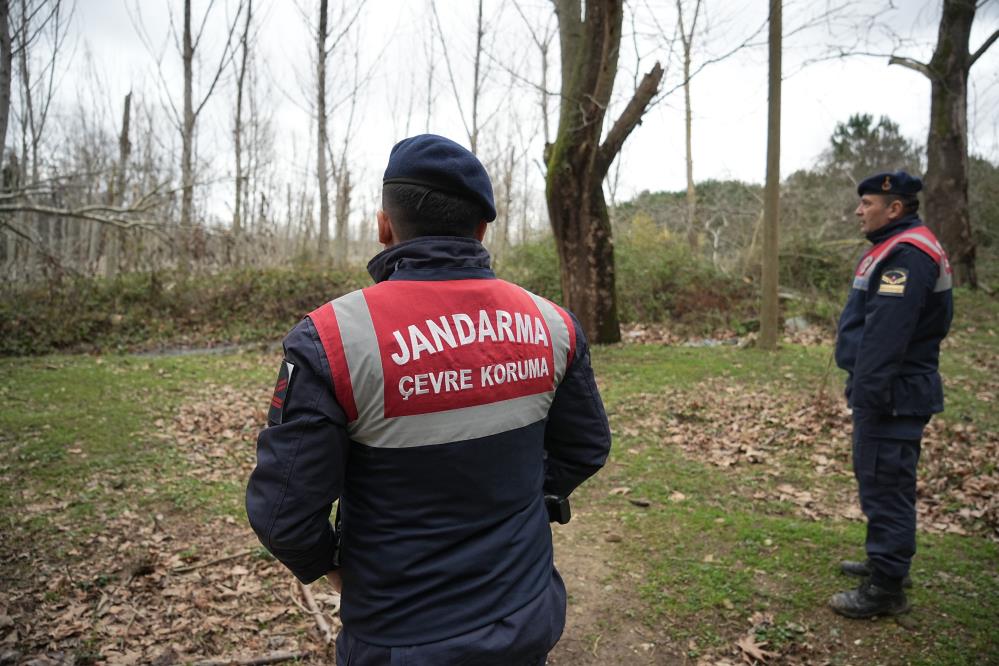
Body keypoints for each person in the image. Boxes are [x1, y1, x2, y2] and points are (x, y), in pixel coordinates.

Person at [246, 134, 612, 664]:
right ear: (483, 228)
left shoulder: (332, 340)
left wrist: (334, 567)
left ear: (384, 226)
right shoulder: (552, 323)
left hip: (400, 634)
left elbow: (283, 514)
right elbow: (586, 447)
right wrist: (527, 499)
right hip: (525, 614)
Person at [829, 170, 953, 619]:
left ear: (894, 207)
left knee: (886, 484)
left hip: (892, 394)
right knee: (881, 480)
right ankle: (885, 562)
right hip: (891, 390)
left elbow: (886, 337)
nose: (859, 211)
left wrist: (868, 395)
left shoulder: (907, 254)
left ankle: (886, 587)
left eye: (867, 203)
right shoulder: (897, 248)